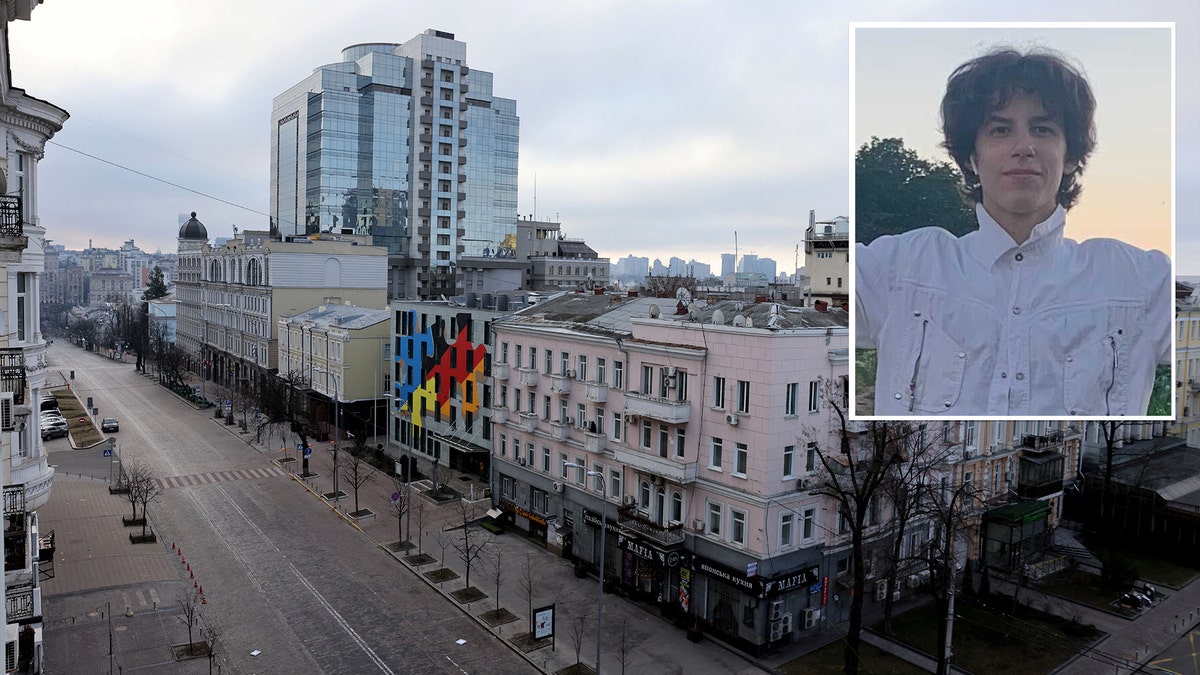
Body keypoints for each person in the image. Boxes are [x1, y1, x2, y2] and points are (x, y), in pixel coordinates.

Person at [856, 47, 1171, 416]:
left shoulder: (1141, 282)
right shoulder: (900, 269)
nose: (1023, 147)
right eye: (1000, 129)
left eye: (1042, 128)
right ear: (972, 157)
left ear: (1070, 156)